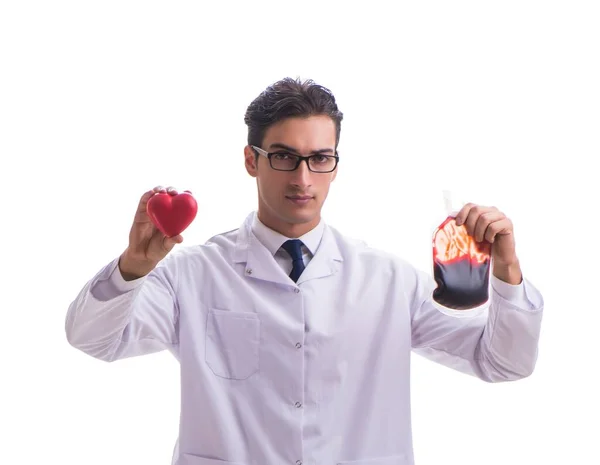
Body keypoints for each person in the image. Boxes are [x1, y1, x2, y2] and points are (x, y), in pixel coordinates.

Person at [65, 77, 544, 465]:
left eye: (319, 158)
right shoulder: (191, 275)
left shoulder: (389, 282)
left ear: (335, 165)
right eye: (284, 157)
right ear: (251, 160)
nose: (302, 178)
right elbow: (94, 339)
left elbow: (503, 363)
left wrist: (507, 270)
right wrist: (133, 268)